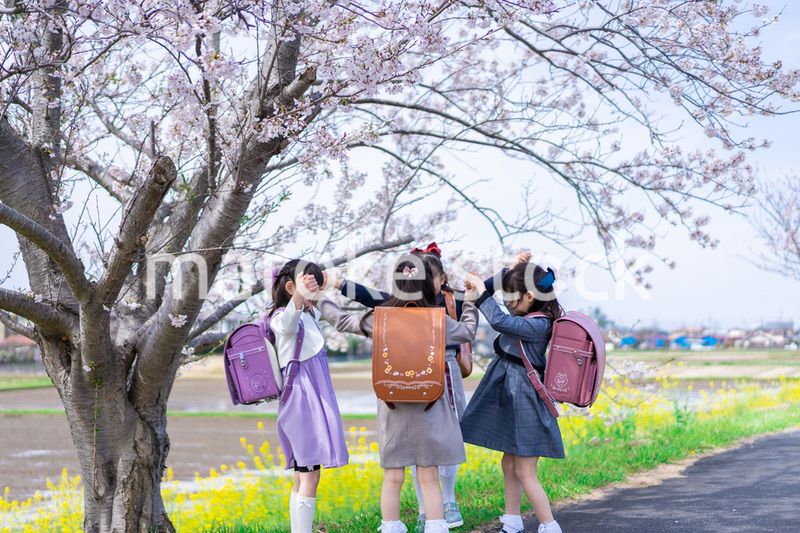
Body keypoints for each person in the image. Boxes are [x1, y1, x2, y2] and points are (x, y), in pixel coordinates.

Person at [317, 255, 478, 533]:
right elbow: (467, 332)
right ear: (428, 287)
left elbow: (342, 321)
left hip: (393, 408)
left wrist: (319, 299)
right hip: (430, 405)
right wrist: (471, 302)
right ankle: (436, 525)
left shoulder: (380, 319)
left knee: (392, 477)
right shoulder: (438, 320)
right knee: (429, 476)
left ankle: (391, 526)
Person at [460, 253, 565, 533]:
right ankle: (512, 520)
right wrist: (511, 268)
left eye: (511, 296)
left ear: (529, 296)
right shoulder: (531, 316)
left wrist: (483, 296)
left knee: (525, 470)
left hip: (525, 400)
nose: (506, 302)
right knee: (509, 463)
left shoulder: (538, 324)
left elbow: (499, 322)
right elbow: (502, 316)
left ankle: (549, 525)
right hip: (514, 396)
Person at [270, 259, 349, 533]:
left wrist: (322, 287)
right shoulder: (282, 317)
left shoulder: (310, 316)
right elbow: (289, 324)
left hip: (312, 400)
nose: (312, 294)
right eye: (305, 286)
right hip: (302, 402)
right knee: (309, 474)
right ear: (291, 287)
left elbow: (321, 313)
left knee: (303, 474)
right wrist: (300, 294)